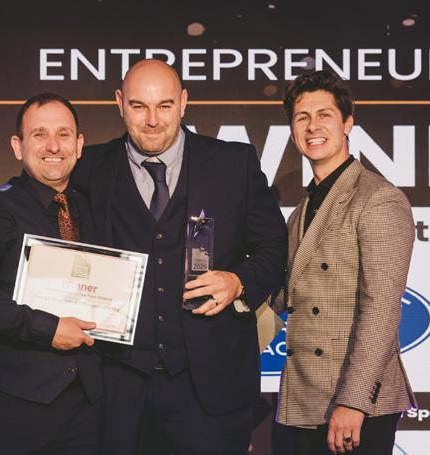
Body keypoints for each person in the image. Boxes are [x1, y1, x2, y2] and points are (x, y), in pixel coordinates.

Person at [73, 59, 287, 454]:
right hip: (118, 388)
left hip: (211, 389)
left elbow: (274, 248)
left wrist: (239, 282)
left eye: (165, 105)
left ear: (184, 102)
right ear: (119, 103)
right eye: (139, 106)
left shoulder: (233, 163)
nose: (153, 120)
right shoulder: (88, 168)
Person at [270, 70, 417, 455]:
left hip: (356, 403)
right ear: (292, 130)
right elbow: (284, 296)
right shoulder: (301, 210)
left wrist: (354, 402)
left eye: (325, 115)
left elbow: (382, 308)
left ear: (347, 123)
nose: (312, 126)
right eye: (302, 117)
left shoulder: (378, 198)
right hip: (301, 398)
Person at [0, 93, 102, 455]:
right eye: (39, 135)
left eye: (64, 134)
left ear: (79, 144)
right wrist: (48, 329)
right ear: (18, 146)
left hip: (89, 408)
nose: (53, 146)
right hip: (14, 411)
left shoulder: (93, 209)